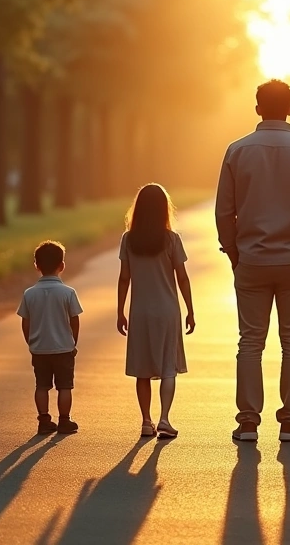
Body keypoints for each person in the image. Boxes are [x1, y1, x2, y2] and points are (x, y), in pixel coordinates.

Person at [216, 79, 290, 443]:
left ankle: (248, 421)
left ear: (256, 108)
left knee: (250, 341)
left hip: (251, 258)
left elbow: (225, 212)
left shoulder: (237, 152)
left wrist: (235, 254)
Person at [116, 184, 195, 439]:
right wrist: (190, 310)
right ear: (164, 210)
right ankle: (164, 419)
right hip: (167, 310)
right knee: (168, 366)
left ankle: (146, 421)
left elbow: (124, 278)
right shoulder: (171, 239)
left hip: (140, 312)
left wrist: (120, 311)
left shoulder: (128, 239)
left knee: (143, 368)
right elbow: (182, 277)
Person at [18, 240, 84, 435]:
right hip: (63, 348)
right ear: (62, 265)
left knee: (42, 386)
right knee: (65, 386)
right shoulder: (68, 293)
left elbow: (25, 323)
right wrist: (73, 342)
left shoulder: (29, 294)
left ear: (36, 266)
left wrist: (31, 342)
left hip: (40, 349)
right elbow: (75, 321)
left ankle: (44, 420)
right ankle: (64, 420)